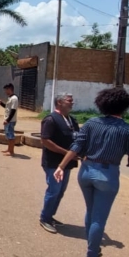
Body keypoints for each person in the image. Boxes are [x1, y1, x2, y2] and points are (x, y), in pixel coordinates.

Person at [54, 88, 129, 257]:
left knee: (91, 212)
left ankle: (93, 247)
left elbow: (76, 146)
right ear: (125, 107)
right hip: (107, 175)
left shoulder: (91, 123)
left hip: (86, 172)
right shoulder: (128, 131)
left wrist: (61, 166)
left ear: (102, 104)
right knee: (99, 218)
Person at [38, 93, 80, 234]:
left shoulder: (72, 120)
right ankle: (45, 218)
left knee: (60, 191)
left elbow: (79, 139)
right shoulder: (51, 120)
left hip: (67, 163)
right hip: (53, 163)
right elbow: (45, 141)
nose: (72, 103)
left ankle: (50, 215)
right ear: (60, 102)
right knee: (54, 190)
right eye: (69, 100)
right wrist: (66, 153)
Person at [0, 84, 19, 156]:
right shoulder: (10, 98)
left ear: (10, 89)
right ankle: (9, 149)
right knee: (8, 135)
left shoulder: (14, 99)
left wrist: (7, 120)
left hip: (10, 121)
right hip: (8, 120)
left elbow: (13, 111)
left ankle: (11, 151)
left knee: (11, 136)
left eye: (6, 90)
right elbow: (7, 107)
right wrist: (0, 103)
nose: (5, 91)